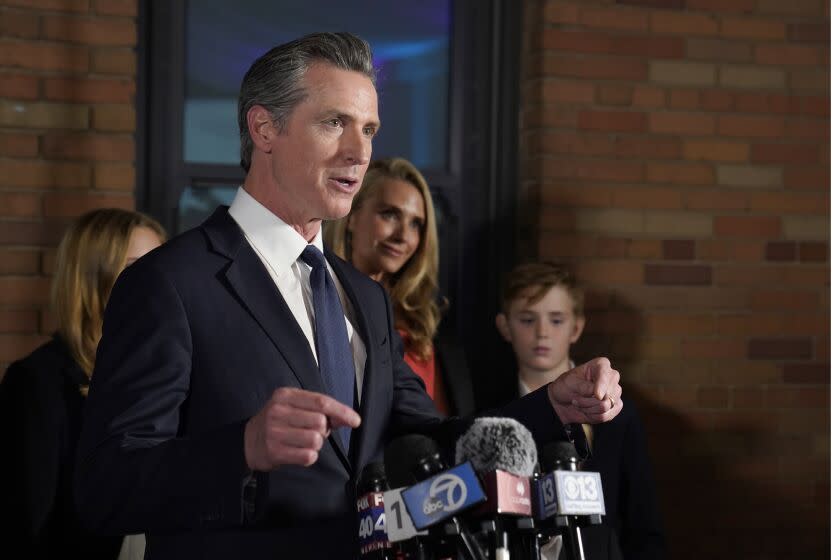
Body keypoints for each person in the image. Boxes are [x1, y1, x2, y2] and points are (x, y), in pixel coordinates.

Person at [73, 32, 623, 559]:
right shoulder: (169, 281)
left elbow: (427, 444)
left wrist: (551, 407)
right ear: (264, 128)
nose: (360, 152)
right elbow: (105, 487)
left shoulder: (365, 296)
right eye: (335, 123)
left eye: (370, 129)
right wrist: (242, 447)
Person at [0, 208, 166, 560]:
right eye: (136, 265)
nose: (159, 280)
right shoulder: (37, 381)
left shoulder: (163, 373)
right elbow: (27, 523)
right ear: (92, 277)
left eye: (161, 264)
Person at [495, 261, 666, 560]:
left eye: (556, 320)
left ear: (576, 328)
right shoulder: (489, 411)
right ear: (504, 326)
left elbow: (643, 524)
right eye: (527, 319)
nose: (542, 333)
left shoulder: (616, 413)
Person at [325, 156, 475, 416]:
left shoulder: (427, 327)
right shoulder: (319, 301)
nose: (403, 236)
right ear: (351, 216)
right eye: (390, 214)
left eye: (416, 223)